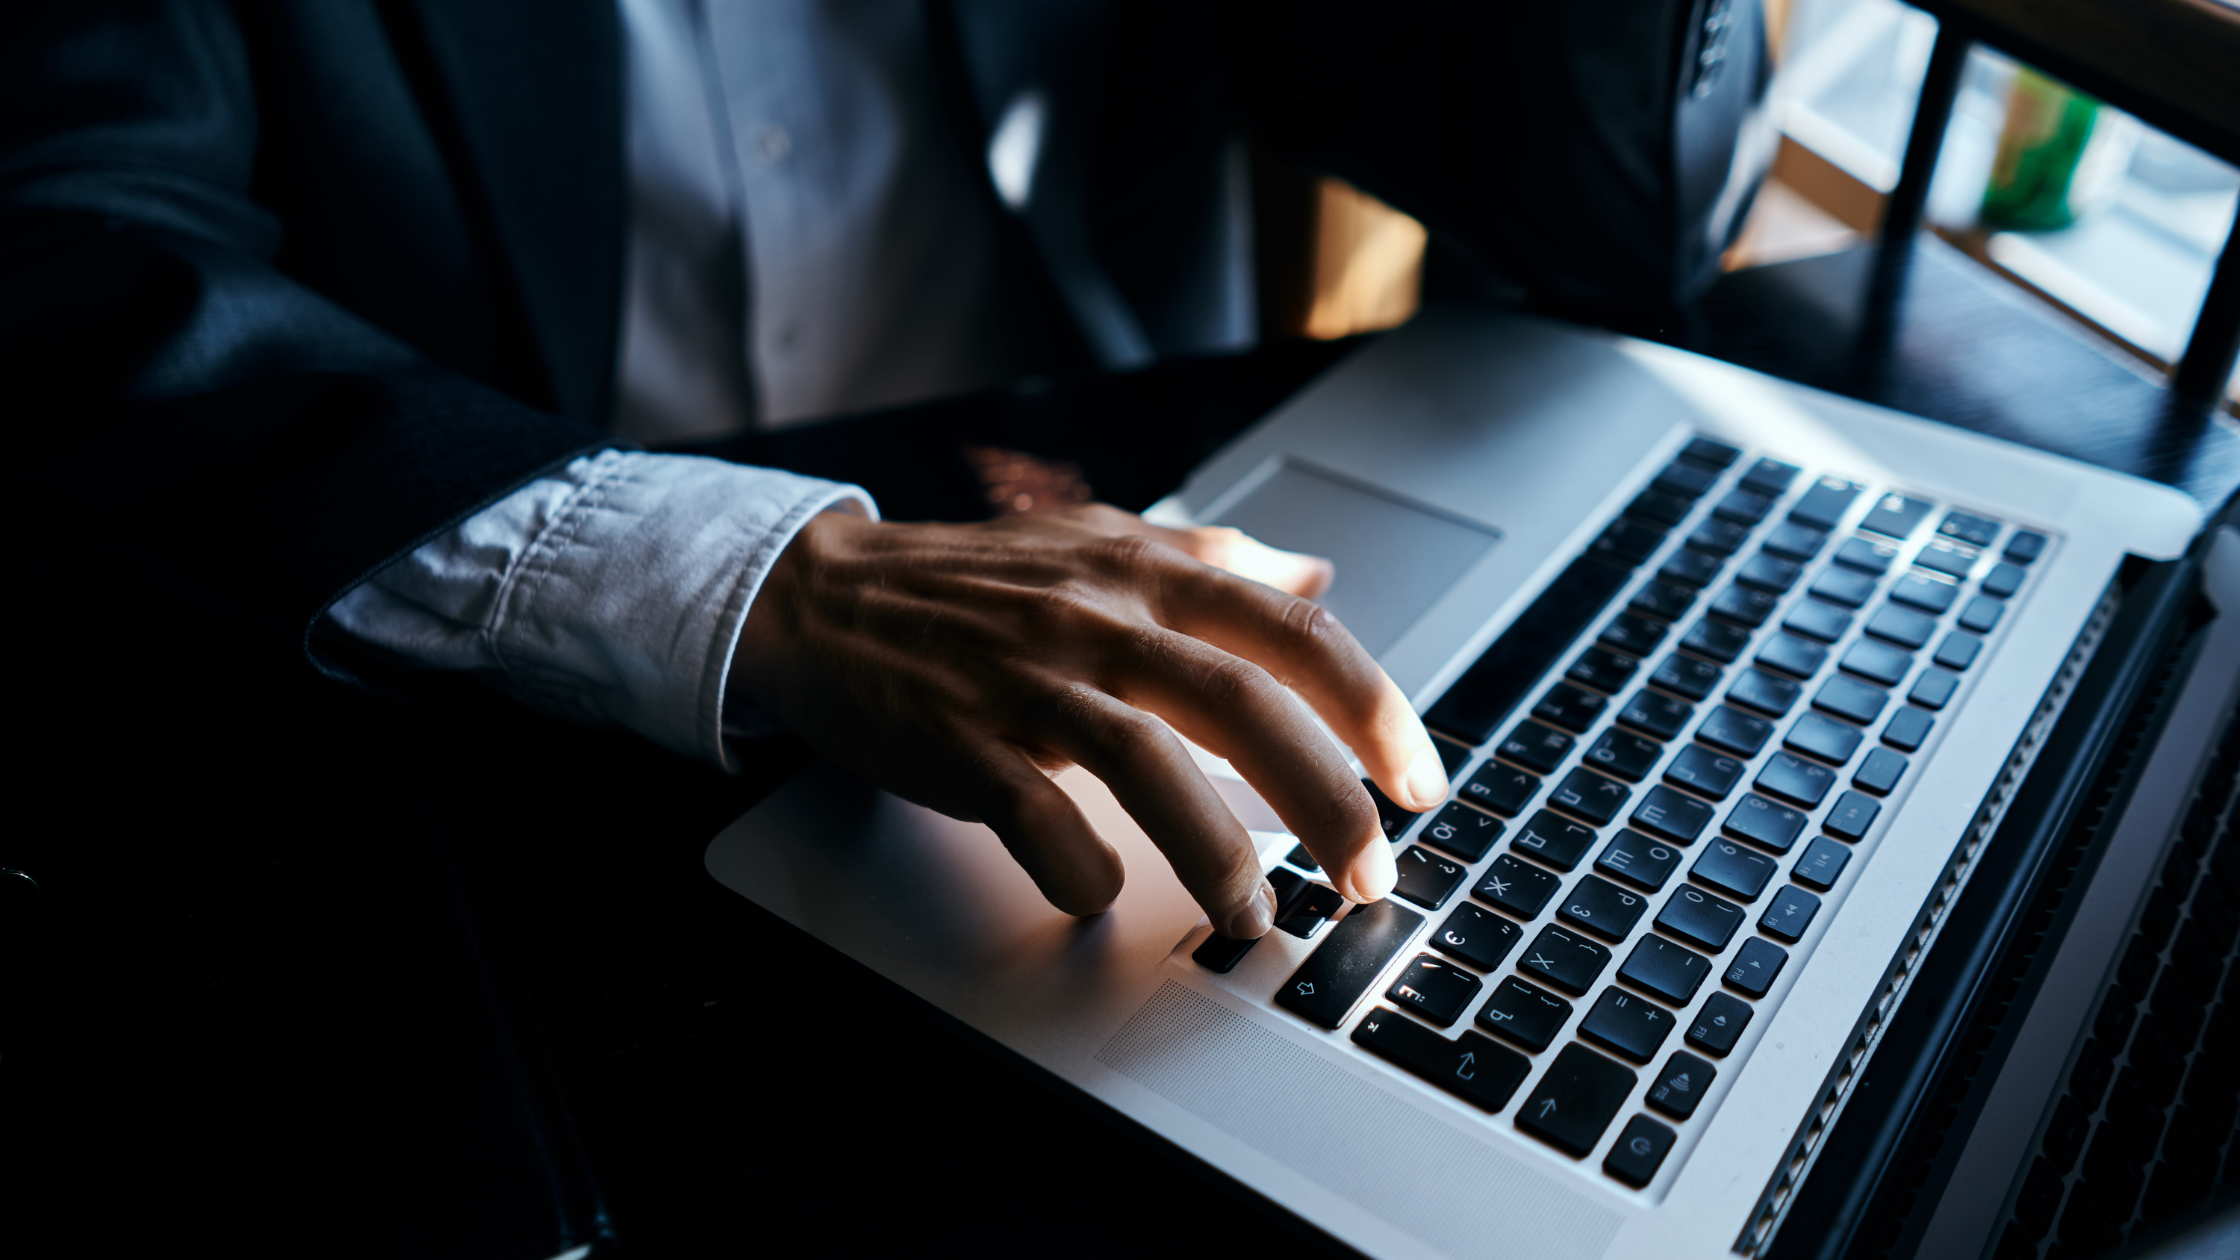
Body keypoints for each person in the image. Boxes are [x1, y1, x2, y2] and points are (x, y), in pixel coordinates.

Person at [2, 0, 1766, 939]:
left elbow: (1611, 221)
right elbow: (67, 251)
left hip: (1178, 536)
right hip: (534, 696)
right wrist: (753, 577)